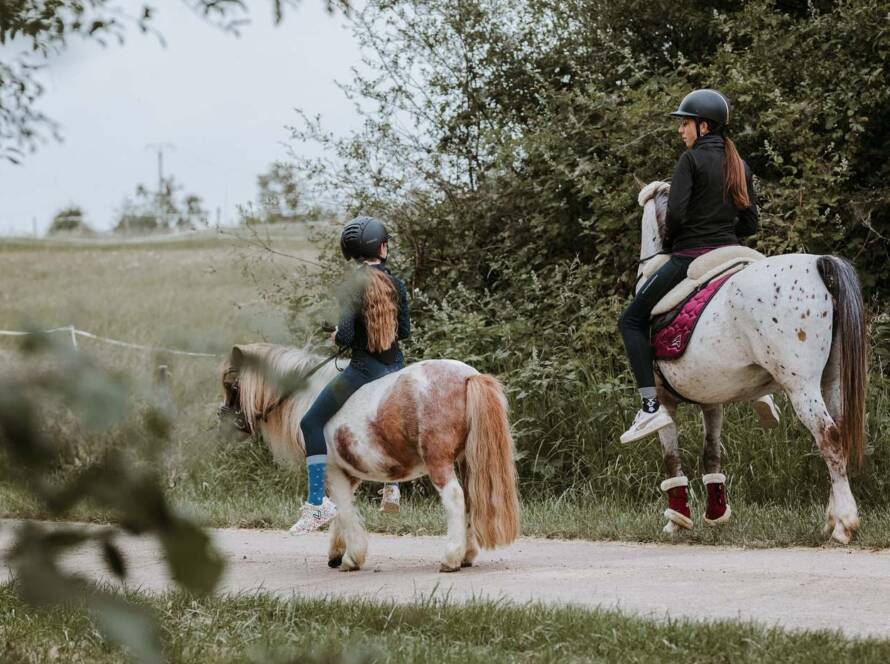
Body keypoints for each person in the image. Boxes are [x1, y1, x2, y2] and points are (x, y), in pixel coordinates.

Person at [618, 89, 759, 444]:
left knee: (631, 320)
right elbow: (751, 224)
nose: (681, 131)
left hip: (692, 256)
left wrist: (673, 243)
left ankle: (650, 407)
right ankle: (762, 388)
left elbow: (676, 214)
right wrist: (724, 231)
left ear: (704, 126)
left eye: (685, 123)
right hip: (734, 253)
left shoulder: (691, 161)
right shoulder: (738, 165)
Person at [290, 216, 411, 534]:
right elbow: (406, 332)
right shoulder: (396, 284)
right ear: (381, 247)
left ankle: (317, 503)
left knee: (310, 423)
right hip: (395, 368)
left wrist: (336, 337)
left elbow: (344, 337)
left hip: (363, 371)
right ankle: (392, 485)